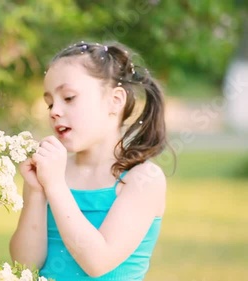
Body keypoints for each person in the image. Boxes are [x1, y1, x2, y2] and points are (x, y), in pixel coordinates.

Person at [9, 41, 168, 281]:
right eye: (50, 103)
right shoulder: (52, 174)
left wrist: (54, 186)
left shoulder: (143, 179)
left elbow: (97, 262)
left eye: (69, 98)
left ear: (115, 101)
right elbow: (24, 265)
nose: (54, 111)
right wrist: (36, 192)